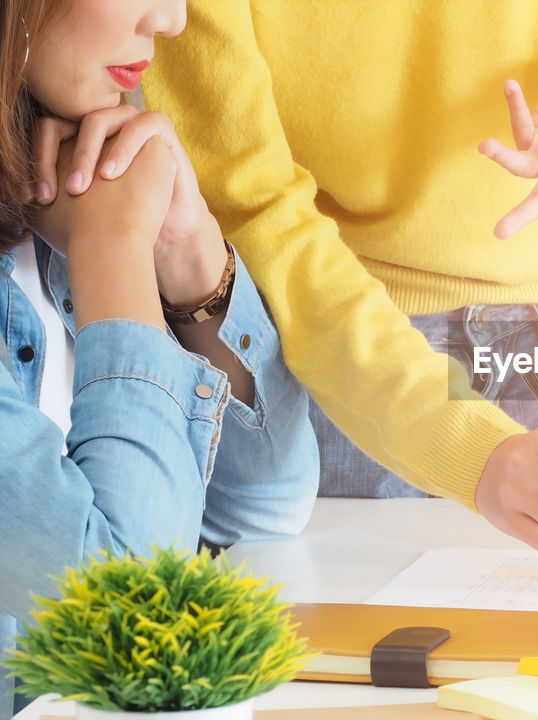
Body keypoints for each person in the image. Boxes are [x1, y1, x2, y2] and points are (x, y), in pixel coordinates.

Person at [50, 1, 538, 568]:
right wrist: (470, 449)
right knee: (349, 643)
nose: (166, 18)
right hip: (337, 335)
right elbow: (254, 204)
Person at [0, 1, 318, 717]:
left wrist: (187, 248)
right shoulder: (93, 219)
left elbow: (265, 507)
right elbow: (128, 612)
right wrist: (112, 251)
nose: (172, 20)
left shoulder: (67, 171)